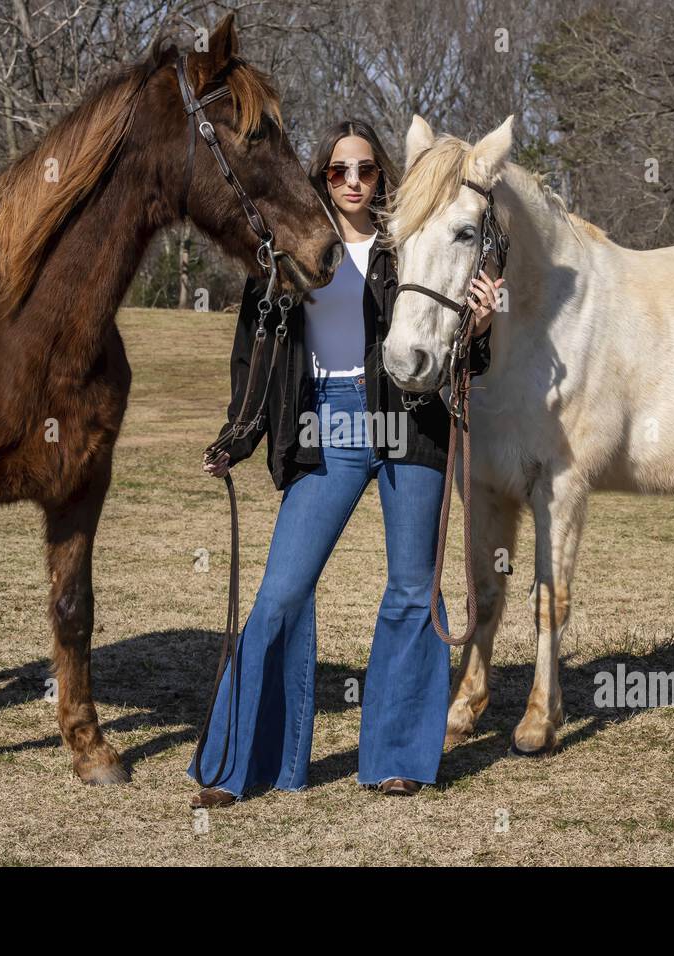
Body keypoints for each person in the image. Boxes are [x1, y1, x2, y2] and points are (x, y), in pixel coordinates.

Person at [190, 119, 505, 807]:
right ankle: (242, 765)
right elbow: (258, 347)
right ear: (320, 177)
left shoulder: (406, 240)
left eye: (365, 170)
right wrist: (238, 434)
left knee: (413, 590)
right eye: (338, 171)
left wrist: (480, 327)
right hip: (323, 419)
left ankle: (397, 758)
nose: (354, 183)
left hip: (409, 416)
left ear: (381, 175)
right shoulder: (294, 245)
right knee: (280, 594)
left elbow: (450, 346)